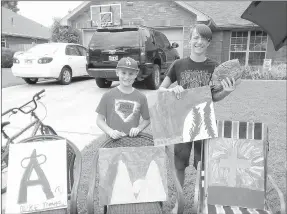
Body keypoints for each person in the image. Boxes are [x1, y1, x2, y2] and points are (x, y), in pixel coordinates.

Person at [159, 24, 238, 213]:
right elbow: (161, 90)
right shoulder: (178, 65)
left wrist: (226, 92)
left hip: (204, 119)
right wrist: (173, 90)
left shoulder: (214, 67)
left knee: (203, 164)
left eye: (203, 39)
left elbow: (214, 96)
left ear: (209, 42)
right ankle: (180, 202)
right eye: (195, 37)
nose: (199, 42)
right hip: (182, 121)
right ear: (190, 40)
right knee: (180, 164)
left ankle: (203, 201)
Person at [96, 57, 150, 139]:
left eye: (131, 74)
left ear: (136, 74)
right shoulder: (108, 95)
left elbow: (147, 119)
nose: (127, 77)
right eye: (123, 73)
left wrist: (138, 128)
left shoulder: (141, 97)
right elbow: (99, 120)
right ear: (117, 72)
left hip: (132, 142)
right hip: (112, 143)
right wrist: (110, 131)